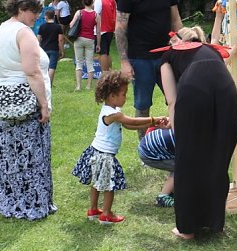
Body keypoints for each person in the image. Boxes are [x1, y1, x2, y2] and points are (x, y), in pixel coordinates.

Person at [158, 25, 237, 240]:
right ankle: (214, 223)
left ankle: (186, 229)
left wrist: (179, 136)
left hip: (194, 89)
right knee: (218, 156)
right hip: (226, 89)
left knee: (188, 162)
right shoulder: (211, 51)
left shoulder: (167, 57)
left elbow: (172, 101)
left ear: (176, 42)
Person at [0, 0, 55, 221]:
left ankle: (11, 200)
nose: (36, 17)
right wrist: (44, 105)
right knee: (31, 155)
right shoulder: (23, 32)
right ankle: (32, 202)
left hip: (4, 99)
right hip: (26, 101)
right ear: (21, 8)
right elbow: (33, 72)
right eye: (33, 12)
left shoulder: (0, 30)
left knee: (9, 155)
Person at [72, 72, 168, 224]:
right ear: (112, 95)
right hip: (105, 155)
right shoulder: (113, 114)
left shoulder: (112, 111)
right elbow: (132, 121)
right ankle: (106, 214)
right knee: (109, 186)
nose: (125, 97)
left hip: (96, 152)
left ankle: (93, 210)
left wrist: (152, 124)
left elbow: (128, 125)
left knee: (96, 183)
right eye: (123, 94)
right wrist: (154, 119)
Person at [116, 0, 182, 135]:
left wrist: (181, 43)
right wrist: (124, 61)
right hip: (140, 57)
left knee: (176, 98)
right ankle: (144, 146)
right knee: (143, 104)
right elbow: (120, 28)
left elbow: (176, 19)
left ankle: (179, 139)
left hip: (167, 56)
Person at [138, 126, 177, 207]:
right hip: (148, 153)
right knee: (181, 168)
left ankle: (171, 192)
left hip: (148, 143)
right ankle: (163, 198)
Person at [69, 0, 98, 91]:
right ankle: (89, 86)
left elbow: (71, 24)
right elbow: (98, 31)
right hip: (90, 39)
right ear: (92, 3)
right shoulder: (96, 15)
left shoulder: (79, 12)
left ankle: (78, 86)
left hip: (79, 39)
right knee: (90, 63)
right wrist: (98, 44)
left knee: (79, 62)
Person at [92, 0, 117, 74]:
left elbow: (96, 16)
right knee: (107, 52)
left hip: (101, 30)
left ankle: (105, 74)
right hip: (110, 29)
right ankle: (110, 73)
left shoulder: (98, 1)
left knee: (102, 53)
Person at [37, 9, 64, 82]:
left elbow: (38, 39)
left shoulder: (42, 26)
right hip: (54, 49)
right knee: (52, 67)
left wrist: (38, 48)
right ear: (54, 17)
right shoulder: (58, 27)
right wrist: (62, 50)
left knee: (44, 67)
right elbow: (60, 39)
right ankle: (49, 83)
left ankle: (43, 82)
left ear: (46, 17)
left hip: (44, 49)